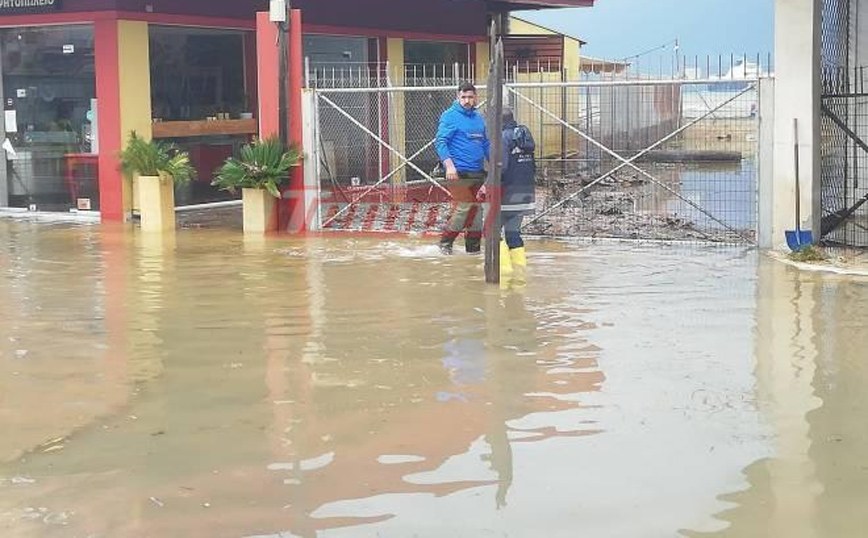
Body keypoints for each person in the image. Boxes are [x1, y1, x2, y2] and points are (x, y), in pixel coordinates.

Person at [436, 82, 490, 255]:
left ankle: (473, 250)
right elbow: (440, 142)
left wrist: (497, 164)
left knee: (477, 211)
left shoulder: (479, 118)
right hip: (457, 172)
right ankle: (445, 244)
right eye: (463, 97)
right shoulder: (450, 116)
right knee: (465, 206)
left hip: (477, 172)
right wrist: (449, 166)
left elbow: (486, 144)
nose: (467, 101)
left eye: (470, 97)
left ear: (476, 99)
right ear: (458, 97)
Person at [499, 108, 536, 280]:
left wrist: (486, 186)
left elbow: (502, 167)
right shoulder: (524, 134)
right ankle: (520, 273)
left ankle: (504, 274)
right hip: (526, 191)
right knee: (513, 233)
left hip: (507, 193)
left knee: (491, 231)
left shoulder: (503, 137)